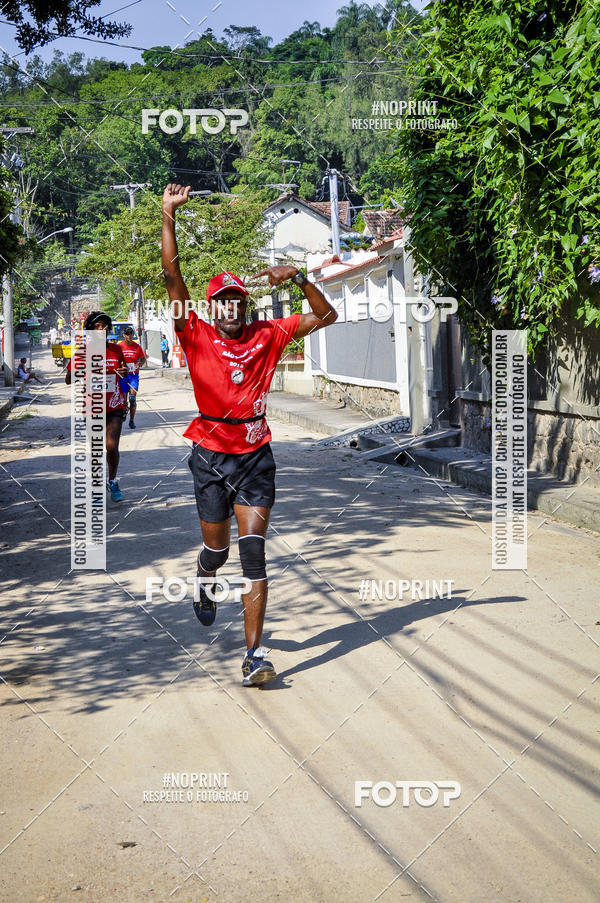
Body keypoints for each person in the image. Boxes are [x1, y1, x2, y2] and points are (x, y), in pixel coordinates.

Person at [161, 182, 338, 686]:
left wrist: (301, 276)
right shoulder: (192, 332)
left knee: (254, 551)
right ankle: (204, 578)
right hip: (212, 457)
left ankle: (254, 656)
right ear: (212, 308)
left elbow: (328, 315)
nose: (231, 308)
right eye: (223, 302)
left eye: (238, 301)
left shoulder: (269, 334)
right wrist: (168, 215)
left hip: (256, 456)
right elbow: (172, 274)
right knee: (217, 552)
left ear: (246, 305)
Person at [65, 312, 129, 502]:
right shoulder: (82, 353)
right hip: (92, 407)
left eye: (106, 326)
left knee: (111, 446)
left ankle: (113, 481)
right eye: (99, 326)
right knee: (95, 449)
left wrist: (124, 374)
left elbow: (124, 373)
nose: (103, 329)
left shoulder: (116, 350)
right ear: (90, 330)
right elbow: (69, 379)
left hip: (115, 403)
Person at [118, 326, 147, 429]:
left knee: (132, 398)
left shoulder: (137, 346)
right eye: (127, 334)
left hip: (133, 375)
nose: (130, 336)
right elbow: (115, 359)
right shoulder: (119, 346)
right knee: (123, 399)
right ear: (124, 335)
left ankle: (131, 420)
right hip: (122, 375)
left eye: (131, 334)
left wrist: (139, 363)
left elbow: (143, 359)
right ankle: (124, 412)